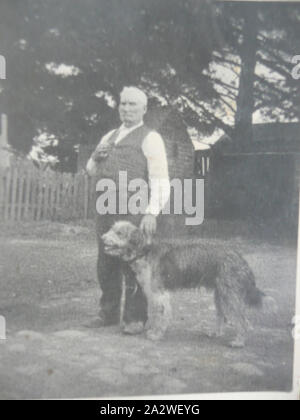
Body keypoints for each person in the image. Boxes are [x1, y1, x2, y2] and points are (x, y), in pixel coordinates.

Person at [86, 86, 170, 334]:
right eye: (123, 103)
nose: (127, 108)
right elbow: (91, 170)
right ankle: (108, 313)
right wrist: (95, 156)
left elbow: (160, 180)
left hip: (134, 211)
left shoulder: (151, 137)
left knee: (135, 264)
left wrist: (151, 212)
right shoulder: (109, 136)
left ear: (144, 109)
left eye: (133, 104)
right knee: (105, 261)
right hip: (106, 210)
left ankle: (135, 319)